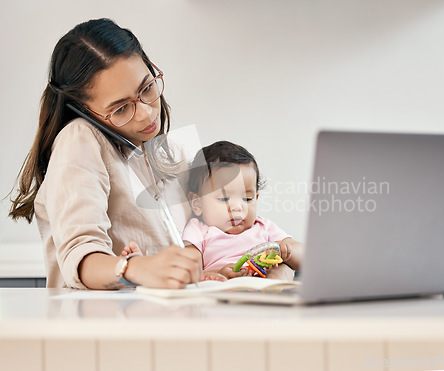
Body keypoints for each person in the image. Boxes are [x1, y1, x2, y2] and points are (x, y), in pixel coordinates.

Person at [8, 18, 201, 289]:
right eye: (121, 108)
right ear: (84, 111)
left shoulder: (171, 150)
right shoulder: (80, 139)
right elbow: (81, 257)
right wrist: (135, 267)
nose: (146, 112)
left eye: (147, 88)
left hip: (170, 322)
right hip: (105, 327)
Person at [182, 141, 304, 279]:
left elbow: (307, 258)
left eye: (247, 199)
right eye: (224, 199)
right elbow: (190, 272)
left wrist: (287, 250)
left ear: (256, 197)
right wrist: (218, 273)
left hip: (264, 284)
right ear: (197, 204)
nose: (238, 207)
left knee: (284, 269)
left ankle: (272, 292)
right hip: (225, 288)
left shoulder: (263, 227)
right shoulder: (199, 231)